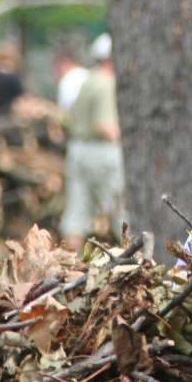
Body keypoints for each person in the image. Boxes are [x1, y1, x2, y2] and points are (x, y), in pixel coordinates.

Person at [60, 33, 127, 251]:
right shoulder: (106, 83)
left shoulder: (88, 81)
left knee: (76, 213)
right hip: (102, 153)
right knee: (120, 211)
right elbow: (104, 126)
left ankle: (67, 262)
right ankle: (136, 260)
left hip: (78, 150)